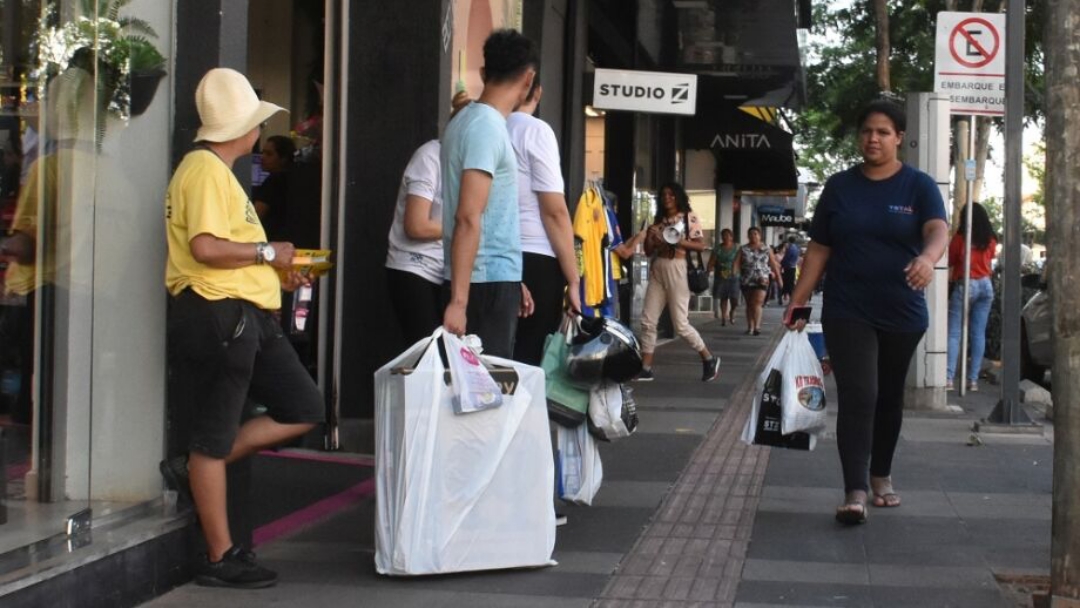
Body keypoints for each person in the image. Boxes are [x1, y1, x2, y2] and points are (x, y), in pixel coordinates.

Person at [160, 68, 326, 588]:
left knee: (303, 408)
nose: (259, 131)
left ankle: (195, 470)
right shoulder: (206, 170)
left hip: (241, 314)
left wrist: (273, 266)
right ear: (244, 127)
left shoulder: (213, 171)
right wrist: (266, 253)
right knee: (214, 438)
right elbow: (205, 248)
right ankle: (220, 555)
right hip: (221, 313)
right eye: (256, 119)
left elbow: (218, 248)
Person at [784, 99, 949, 526]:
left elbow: (937, 228)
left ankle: (881, 475)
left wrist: (929, 259)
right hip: (847, 308)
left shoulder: (919, 186)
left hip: (902, 311)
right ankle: (854, 489)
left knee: (889, 397)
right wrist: (798, 300)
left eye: (882, 132)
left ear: (898, 138)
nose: (872, 139)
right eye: (866, 132)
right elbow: (820, 248)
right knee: (861, 395)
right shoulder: (840, 187)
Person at [440, 30, 537, 357]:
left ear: (484, 73)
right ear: (528, 78)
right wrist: (459, 302)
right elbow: (468, 217)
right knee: (486, 396)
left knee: (481, 395)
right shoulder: (486, 128)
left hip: (489, 279)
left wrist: (512, 278)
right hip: (482, 286)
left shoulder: (468, 121)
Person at [385, 92, 471, 344]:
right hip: (413, 268)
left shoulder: (467, 164)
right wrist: (465, 226)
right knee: (427, 353)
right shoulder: (430, 156)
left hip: (444, 271)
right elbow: (416, 224)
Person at [507, 80, 581, 364]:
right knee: (532, 356)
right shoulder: (536, 131)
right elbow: (554, 213)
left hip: (492, 255)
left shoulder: (486, 128)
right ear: (536, 90)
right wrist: (573, 280)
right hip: (537, 256)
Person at [635, 182, 721, 382]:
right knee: (648, 321)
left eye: (671, 195)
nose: (667, 198)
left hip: (678, 268)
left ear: (678, 197)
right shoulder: (659, 221)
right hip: (658, 268)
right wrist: (650, 236)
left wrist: (676, 240)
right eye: (664, 194)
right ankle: (645, 367)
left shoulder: (688, 218)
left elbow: (701, 246)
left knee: (680, 324)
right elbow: (648, 252)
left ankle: (708, 358)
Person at [946, 202, 997, 392]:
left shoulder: (961, 238)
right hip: (986, 285)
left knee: (954, 333)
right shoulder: (990, 239)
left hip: (966, 283)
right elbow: (990, 257)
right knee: (978, 333)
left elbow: (950, 260)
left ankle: (949, 378)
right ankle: (973, 380)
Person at [733, 226, 781, 335]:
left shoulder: (767, 249)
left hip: (762, 279)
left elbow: (773, 264)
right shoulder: (743, 249)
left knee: (757, 303)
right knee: (749, 303)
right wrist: (734, 274)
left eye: (755, 233)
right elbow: (736, 263)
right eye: (751, 234)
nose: (753, 236)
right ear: (748, 236)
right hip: (746, 279)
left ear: (760, 235)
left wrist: (779, 279)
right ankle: (750, 326)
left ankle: (757, 327)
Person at [251, 135, 296, 242]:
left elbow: (255, 216)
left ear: (283, 158)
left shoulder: (273, 182)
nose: (262, 157)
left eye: (269, 154)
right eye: (263, 153)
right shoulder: (294, 180)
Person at [707, 228, 740, 325]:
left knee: (734, 298)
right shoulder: (718, 249)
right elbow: (712, 261)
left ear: (731, 237)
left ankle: (733, 310)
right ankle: (724, 317)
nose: (725, 237)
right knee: (723, 297)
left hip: (734, 275)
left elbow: (742, 260)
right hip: (721, 274)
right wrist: (710, 268)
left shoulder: (737, 248)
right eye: (723, 235)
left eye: (727, 235)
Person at [779, 235, 800, 305]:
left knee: (787, 283)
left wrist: (781, 264)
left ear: (789, 240)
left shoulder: (790, 248)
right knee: (790, 284)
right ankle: (790, 299)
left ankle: (787, 298)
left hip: (788, 268)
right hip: (793, 267)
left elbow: (786, 258)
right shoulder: (797, 248)